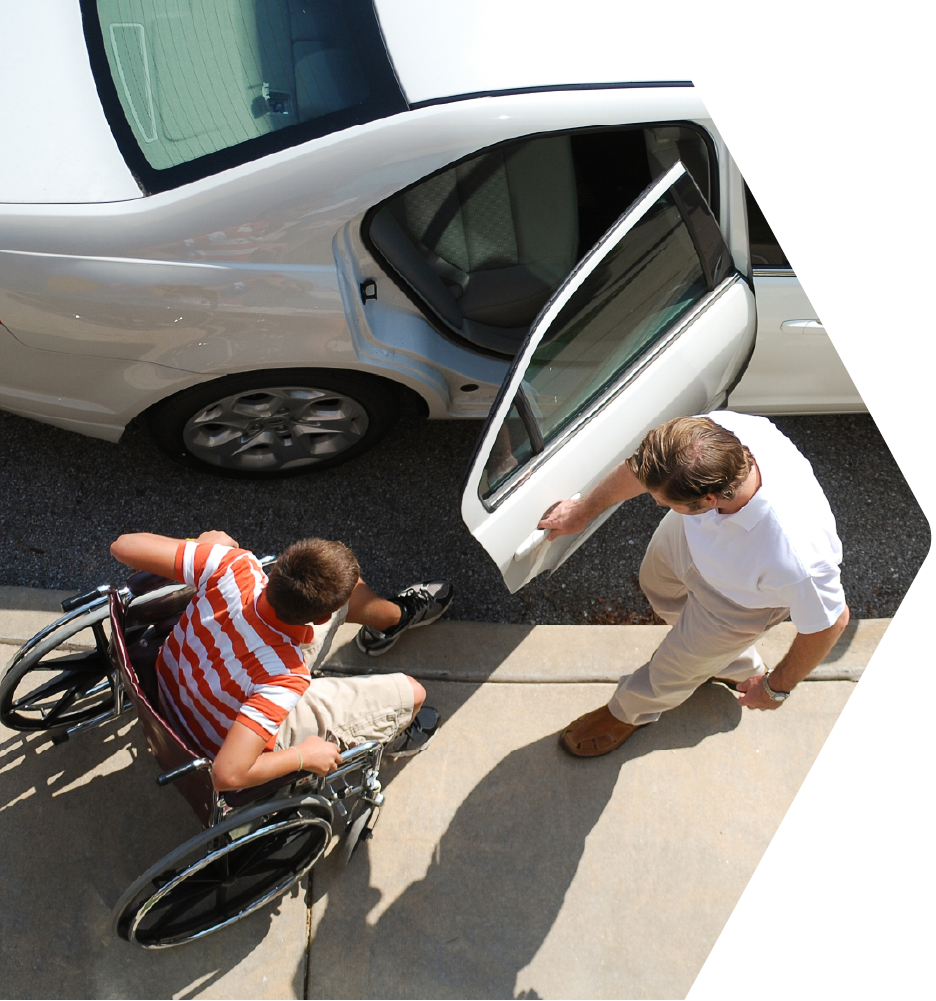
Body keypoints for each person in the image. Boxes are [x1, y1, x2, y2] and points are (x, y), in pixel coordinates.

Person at [537, 412, 850, 757]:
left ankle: (627, 712)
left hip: (738, 604)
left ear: (709, 500)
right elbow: (643, 470)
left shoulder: (795, 554)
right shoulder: (710, 437)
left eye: (665, 502)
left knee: (676, 667)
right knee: (657, 587)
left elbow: (831, 623)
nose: (655, 503)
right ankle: (732, 663)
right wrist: (585, 509)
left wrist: (776, 688)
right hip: (692, 540)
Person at [109, 530, 454, 789]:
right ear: (319, 620)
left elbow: (122, 546)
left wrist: (204, 546)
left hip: (174, 690)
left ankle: (391, 618)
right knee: (413, 693)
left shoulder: (232, 566)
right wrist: (304, 756)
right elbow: (227, 774)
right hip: (215, 741)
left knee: (343, 589)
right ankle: (391, 721)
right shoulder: (283, 678)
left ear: (277, 568)